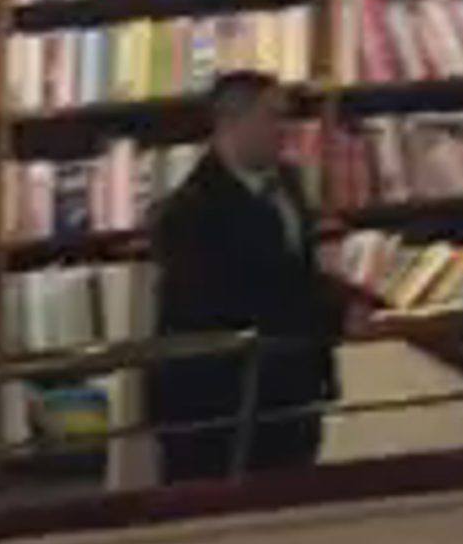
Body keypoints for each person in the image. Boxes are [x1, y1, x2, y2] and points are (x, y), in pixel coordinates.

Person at [144, 74, 348, 492]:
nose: (285, 129)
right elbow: (234, 301)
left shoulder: (289, 183)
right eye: (272, 117)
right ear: (229, 121)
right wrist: (330, 311)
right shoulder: (189, 212)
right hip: (220, 405)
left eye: (287, 117)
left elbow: (297, 271)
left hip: (292, 390)